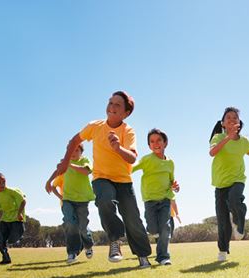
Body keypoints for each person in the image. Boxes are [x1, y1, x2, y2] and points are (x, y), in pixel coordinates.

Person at [47, 91, 152, 268]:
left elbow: (132, 158)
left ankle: (143, 256)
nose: (112, 107)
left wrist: (118, 148)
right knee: (104, 201)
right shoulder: (95, 126)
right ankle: (115, 240)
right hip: (101, 177)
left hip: (124, 180)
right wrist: (65, 162)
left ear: (126, 113)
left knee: (132, 218)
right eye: (110, 102)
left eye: (117, 105)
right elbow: (74, 140)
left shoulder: (128, 131)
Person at [209, 107, 249, 262]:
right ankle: (223, 250)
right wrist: (228, 138)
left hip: (237, 180)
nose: (231, 119)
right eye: (228, 117)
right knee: (223, 222)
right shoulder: (218, 137)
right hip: (220, 185)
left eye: (235, 117)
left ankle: (240, 221)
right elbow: (212, 152)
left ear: (239, 123)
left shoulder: (243, 141)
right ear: (223, 123)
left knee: (235, 198)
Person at [132, 128, 179, 266]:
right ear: (149, 145)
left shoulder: (170, 163)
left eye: (159, 140)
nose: (156, 143)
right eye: (152, 141)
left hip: (165, 199)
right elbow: (132, 168)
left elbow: (172, 181)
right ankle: (155, 234)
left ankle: (163, 257)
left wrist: (175, 186)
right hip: (149, 200)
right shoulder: (146, 159)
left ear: (165, 143)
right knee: (153, 229)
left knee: (165, 227)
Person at [45, 144, 95, 264]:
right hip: (67, 199)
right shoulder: (65, 162)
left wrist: (70, 165)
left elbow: (86, 171)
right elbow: (58, 171)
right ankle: (72, 253)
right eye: (71, 150)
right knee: (69, 223)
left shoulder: (85, 160)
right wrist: (49, 181)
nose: (73, 152)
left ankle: (88, 245)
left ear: (81, 152)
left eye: (76, 150)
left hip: (83, 200)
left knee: (83, 227)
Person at [0, 173, 25, 265]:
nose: (2, 184)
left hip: (16, 219)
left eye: (3, 181)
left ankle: (20, 235)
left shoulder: (12, 191)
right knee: (0, 241)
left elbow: (23, 201)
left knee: (13, 240)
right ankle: (6, 259)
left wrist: (19, 213)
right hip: (5, 220)